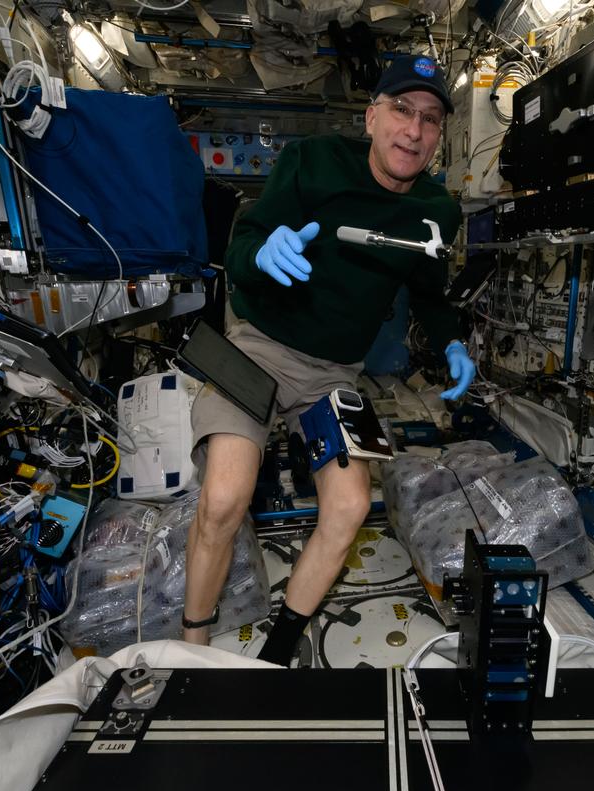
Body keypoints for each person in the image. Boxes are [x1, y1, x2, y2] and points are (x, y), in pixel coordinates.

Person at [181, 54, 476, 665]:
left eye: (429, 119)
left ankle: (278, 650)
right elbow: (240, 244)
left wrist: (452, 342)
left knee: (348, 507)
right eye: (401, 109)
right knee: (223, 500)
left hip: (334, 374)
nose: (413, 130)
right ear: (372, 117)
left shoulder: (436, 212)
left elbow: (429, 293)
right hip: (260, 345)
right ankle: (192, 646)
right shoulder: (309, 163)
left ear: (438, 136)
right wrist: (261, 254)